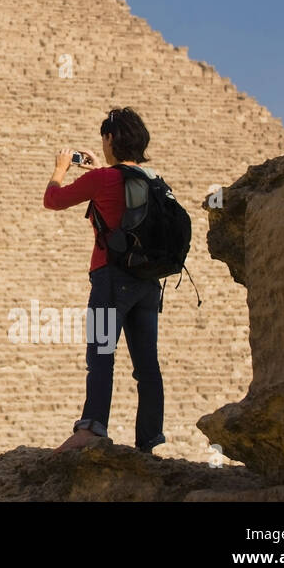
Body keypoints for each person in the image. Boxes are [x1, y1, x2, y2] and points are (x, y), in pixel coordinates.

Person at [42, 107, 166, 454]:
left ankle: (92, 429)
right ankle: (149, 442)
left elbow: (53, 200)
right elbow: (123, 202)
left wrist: (60, 169)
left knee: (100, 353)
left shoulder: (102, 180)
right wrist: (102, 170)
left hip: (110, 278)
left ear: (110, 139)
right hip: (147, 282)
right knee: (147, 365)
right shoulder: (153, 180)